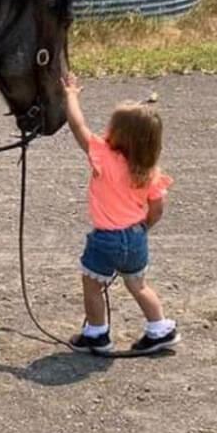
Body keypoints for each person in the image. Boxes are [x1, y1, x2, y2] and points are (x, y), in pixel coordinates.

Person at [62, 73, 179, 355]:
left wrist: (71, 95)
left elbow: (78, 126)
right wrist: (142, 228)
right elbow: (157, 209)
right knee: (138, 285)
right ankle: (160, 328)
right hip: (136, 236)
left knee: (92, 286)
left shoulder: (104, 156)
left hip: (106, 240)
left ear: (119, 134)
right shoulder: (150, 171)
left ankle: (97, 334)